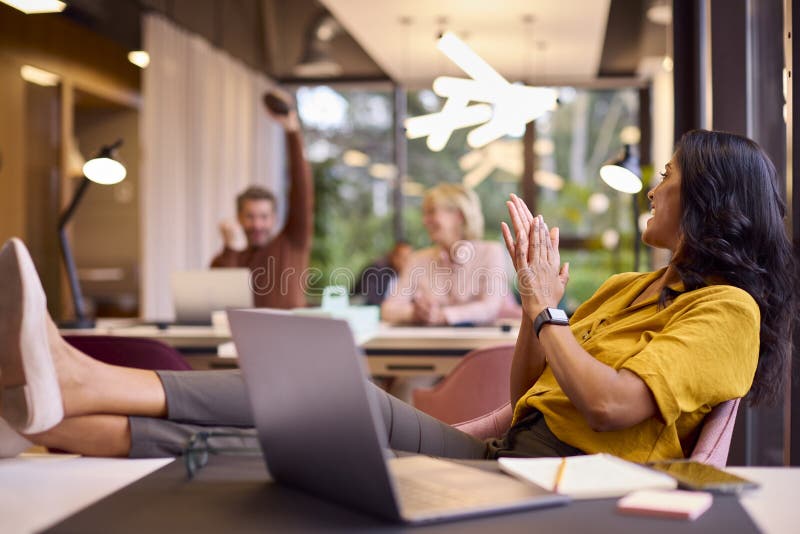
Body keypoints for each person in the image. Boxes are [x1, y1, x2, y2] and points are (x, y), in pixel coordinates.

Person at [0, 130, 795, 462]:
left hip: (561, 484)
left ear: (710, 204)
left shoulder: (728, 311)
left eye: (669, 178)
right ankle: (68, 401)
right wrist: (533, 309)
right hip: (507, 456)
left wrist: (549, 309)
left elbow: (614, 408)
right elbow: (531, 393)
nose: (654, 187)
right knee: (313, 412)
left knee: (297, 441)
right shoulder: (631, 286)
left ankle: (71, 402)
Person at [210, 92, 313, 309]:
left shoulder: (292, 242)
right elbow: (223, 307)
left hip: (290, 337)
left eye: (264, 217)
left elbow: (301, 190)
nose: (257, 224)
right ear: (238, 218)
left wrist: (291, 130)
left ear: (274, 218)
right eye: (250, 216)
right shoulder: (225, 259)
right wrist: (232, 249)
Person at [381, 183, 509, 326]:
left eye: (431, 212)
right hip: (428, 346)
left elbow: (490, 308)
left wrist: (442, 315)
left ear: (459, 215)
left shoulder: (491, 252)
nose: (425, 221)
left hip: (477, 344)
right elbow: (388, 310)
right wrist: (414, 314)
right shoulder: (418, 259)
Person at [352, 241, 412, 306]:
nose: (407, 263)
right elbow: (371, 298)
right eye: (404, 259)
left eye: (410, 259)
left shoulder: (404, 276)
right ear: (394, 257)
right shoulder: (377, 270)